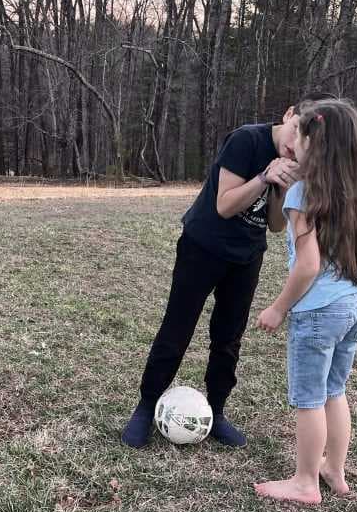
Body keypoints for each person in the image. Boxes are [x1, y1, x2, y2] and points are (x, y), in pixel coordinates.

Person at [121, 94, 335, 449]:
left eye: (304, 139)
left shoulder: (296, 161)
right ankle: (145, 407)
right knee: (177, 329)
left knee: (228, 338)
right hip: (202, 246)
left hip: (246, 257)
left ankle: (217, 411)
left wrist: (281, 189)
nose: (295, 144)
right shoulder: (246, 140)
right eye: (295, 130)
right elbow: (224, 205)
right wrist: (265, 175)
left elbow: (276, 226)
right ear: (287, 115)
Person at [253, 99, 357, 504]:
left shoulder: (301, 194)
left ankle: (305, 481)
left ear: (316, 145)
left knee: (309, 398)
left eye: (300, 135)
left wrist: (278, 308)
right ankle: (334, 469)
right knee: (335, 391)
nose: (292, 140)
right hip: (355, 308)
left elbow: (308, 265)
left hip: (317, 313)